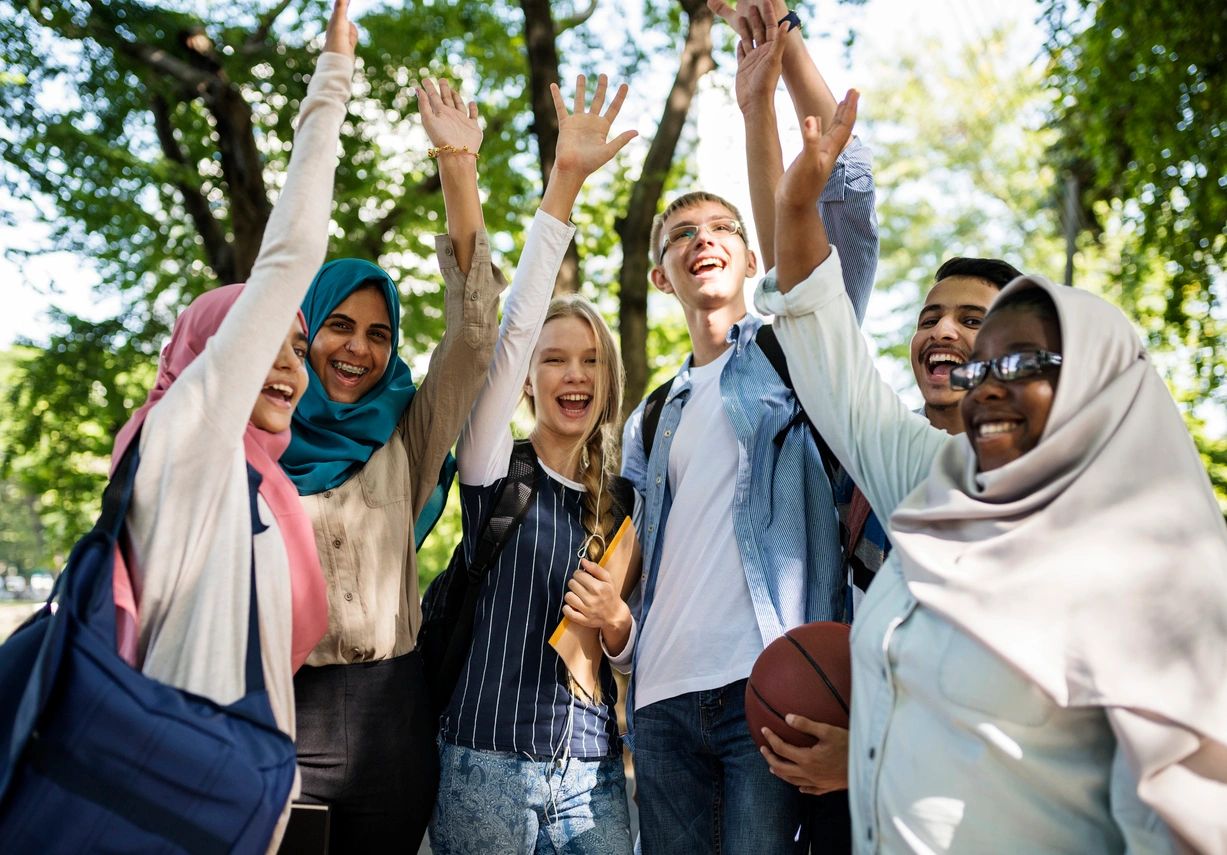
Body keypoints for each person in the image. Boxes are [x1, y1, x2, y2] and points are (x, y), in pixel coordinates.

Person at [755, 83, 1227, 853]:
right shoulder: (937, 481)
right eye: (982, 364)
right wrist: (796, 205)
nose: (990, 379)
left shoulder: (1150, 567)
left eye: (1021, 358)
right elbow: (825, 347)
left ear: (1098, 383)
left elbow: (1183, 820)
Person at [616, 2, 878, 849]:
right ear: (661, 275)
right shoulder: (651, 415)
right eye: (681, 234)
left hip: (763, 683)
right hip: (658, 700)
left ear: (753, 256)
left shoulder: (791, 356)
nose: (703, 240)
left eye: (722, 228)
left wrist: (761, 91)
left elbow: (837, 206)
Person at [107, 3, 355, 850]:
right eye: (261, 341)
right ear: (212, 356)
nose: (287, 365)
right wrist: (333, 84)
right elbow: (291, 255)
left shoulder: (265, 488)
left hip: (244, 809)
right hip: (168, 799)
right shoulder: (185, 443)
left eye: (296, 346)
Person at [278, 73, 503, 849]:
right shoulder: (258, 444)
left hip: (391, 715)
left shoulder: (403, 434)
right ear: (302, 331)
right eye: (339, 325)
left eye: (379, 334)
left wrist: (456, 166)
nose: (360, 348)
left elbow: (475, 337)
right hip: (278, 714)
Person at [429, 75, 639, 855]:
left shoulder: (624, 503)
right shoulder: (494, 465)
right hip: (485, 769)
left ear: (608, 379)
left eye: (590, 360)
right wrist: (565, 183)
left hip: (593, 777)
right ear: (529, 380)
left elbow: (631, 651)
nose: (573, 374)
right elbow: (511, 325)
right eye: (555, 360)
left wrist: (617, 630)